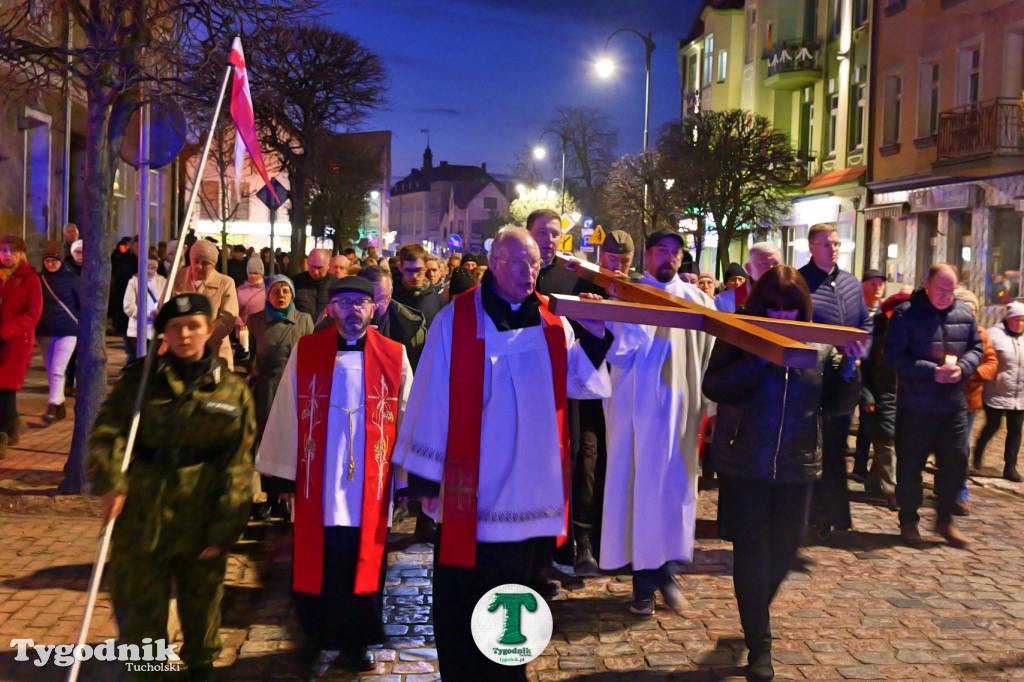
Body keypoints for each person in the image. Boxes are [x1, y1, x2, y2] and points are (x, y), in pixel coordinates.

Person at [395, 228, 613, 681]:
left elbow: (580, 381)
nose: (528, 272)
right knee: (466, 588)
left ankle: (509, 669)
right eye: (517, 262)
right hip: (470, 486)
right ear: (494, 263)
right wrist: (427, 481)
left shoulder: (553, 322)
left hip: (530, 491)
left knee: (518, 590)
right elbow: (432, 397)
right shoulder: (456, 320)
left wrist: (594, 333)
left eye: (534, 263)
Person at [88, 293, 255, 681]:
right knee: (140, 608)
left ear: (209, 330)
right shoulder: (140, 381)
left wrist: (228, 521)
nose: (184, 334)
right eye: (176, 327)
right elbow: (107, 432)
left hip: (203, 511)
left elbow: (241, 462)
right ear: (164, 332)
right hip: (143, 513)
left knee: (201, 607)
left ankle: (200, 668)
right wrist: (111, 480)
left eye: (193, 326)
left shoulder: (231, 391)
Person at [257, 277, 412, 678]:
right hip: (318, 482)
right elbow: (287, 410)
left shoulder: (394, 355)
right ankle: (312, 638)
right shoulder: (307, 351)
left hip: (370, 484)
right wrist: (284, 478)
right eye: (343, 303)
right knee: (318, 559)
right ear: (330, 309)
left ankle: (356, 643)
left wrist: (407, 478)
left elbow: (410, 415)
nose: (352, 310)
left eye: (360, 302)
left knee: (361, 561)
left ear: (373, 308)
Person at [703, 265, 841, 682]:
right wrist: (758, 361)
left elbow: (835, 404)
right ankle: (760, 645)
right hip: (744, 460)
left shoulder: (821, 343)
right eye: (774, 309)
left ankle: (754, 613)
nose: (782, 317)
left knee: (784, 550)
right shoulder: (738, 333)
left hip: (797, 463)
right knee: (751, 553)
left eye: (790, 310)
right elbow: (715, 386)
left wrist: (850, 371)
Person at [599, 228, 716, 616]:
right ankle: (643, 584)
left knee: (673, 495)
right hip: (637, 414)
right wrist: (625, 313)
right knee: (640, 494)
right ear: (647, 256)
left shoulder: (699, 302)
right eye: (660, 251)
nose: (668, 257)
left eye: (675, 252)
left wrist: (711, 409)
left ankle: (667, 573)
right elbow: (619, 353)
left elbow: (710, 360)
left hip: (681, 413)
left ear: (682, 258)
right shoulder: (630, 296)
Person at [884, 263, 982, 548]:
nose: (945, 295)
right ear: (926, 284)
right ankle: (909, 520)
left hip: (952, 406)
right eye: (940, 289)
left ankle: (944, 520)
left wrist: (963, 367)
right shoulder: (906, 315)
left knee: (956, 462)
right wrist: (930, 371)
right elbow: (892, 356)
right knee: (910, 466)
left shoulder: (964, 313)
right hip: (916, 405)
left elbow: (977, 348)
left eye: (950, 290)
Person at [798, 224, 870, 536]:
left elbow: (865, 322)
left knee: (837, 447)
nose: (833, 249)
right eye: (826, 244)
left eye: (837, 243)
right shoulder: (801, 282)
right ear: (811, 247)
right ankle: (810, 515)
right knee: (811, 447)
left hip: (844, 375)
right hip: (811, 376)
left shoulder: (851, 283)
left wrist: (858, 351)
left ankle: (837, 516)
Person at [857, 289, 912, 512]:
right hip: (881, 398)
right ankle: (893, 493)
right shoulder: (874, 333)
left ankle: (873, 482)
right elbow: (862, 369)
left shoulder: (911, 333)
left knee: (891, 445)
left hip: (905, 399)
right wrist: (866, 395)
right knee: (887, 445)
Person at [954, 288, 997, 514]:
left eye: (972, 311)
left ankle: (960, 494)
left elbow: (991, 363)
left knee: (961, 448)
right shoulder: (946, 331)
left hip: (968, 401)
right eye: (964, 310)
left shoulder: (981, 334)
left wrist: (971, 373)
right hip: (942, 399)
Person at [0, 236, 42, 458]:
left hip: (16, 342)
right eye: (4, 250)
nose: (8, 255)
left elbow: (33, 314)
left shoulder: (30, 278)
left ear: (21, 254)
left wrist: (5, 332)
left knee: (5, 388)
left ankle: (3, 437)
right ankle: (13, 425)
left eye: (13, 251)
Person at [973, 300, 1024, 482]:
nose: (1019, 324)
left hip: (1020, 395)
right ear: (1008, 318)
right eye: (1016, 319)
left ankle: (1010, 467)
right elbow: (985, 358)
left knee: (1016, 430)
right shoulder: (995, 335)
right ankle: (978, 450)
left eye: (1023, 320)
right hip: (996, 391)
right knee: (993, 425)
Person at [170, 240, 239, 370]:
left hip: (215, 350)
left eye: (205, 264)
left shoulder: (225, 283)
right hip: (181, 350)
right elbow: (166, 310)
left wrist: (201, 341)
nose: (198, 266)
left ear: (213, 265)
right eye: (195, 261)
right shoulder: (177, 278)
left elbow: (228, 318)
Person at [35, 240, 77, 423]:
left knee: (58, 369)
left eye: (54, 260)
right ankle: (59, 406)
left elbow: (81, 303)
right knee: (51, 369)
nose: (50, 264)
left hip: (67, 330)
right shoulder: (37, 279)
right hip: (43, 330)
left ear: (61, 260)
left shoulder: (71, 279)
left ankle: (52, 406)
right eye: (47, 261)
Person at [355, 266, 428, 370]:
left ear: (390, 293)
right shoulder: (339, 322)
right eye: (367, 300)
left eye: (381, 299)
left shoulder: (411, 328)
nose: (374, 306)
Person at [715, 242, 782, 313]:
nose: (771, 269)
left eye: (775, 264)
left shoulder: (789, 296)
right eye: (764, 264)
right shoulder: (723, 302)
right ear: (749, 268)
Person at [123, 254, 166, 362]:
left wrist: (160, 313)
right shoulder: (134, 282)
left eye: (154, 268)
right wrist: (144, 314)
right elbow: (128, 305)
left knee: (153, 362)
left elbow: (166, 302)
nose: (151, 271)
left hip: (156, 331)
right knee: (138, 362)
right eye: (149, 267)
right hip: (137, 330)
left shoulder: (163, 281)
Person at [392, 243, 445, 327]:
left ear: (425, 268)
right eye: (409, 270)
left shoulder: (437, 300)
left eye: (419, 270)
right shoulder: (391, 297)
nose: (414, 276)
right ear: (400, 268)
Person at [293, 249, 339, 323]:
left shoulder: (336, 285)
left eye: (319, 268)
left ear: (328, 265)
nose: (315, 272)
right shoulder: (296, 282)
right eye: (312, 267)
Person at [235, 256, 267, 332]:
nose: (253, 275)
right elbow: (233, 310)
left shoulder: (267, 290)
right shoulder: (239, 289)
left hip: (260, 331)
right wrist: (241, 325)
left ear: (261, 274)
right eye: (250, 273)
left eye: (256, 273)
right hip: (242, 332)